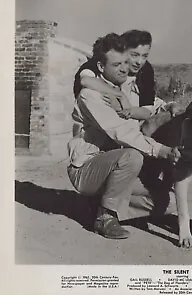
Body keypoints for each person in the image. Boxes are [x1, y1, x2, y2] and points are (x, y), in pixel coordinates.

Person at [67, 33, 180, 240]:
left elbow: (149, 104)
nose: (124, 69)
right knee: (132, 156)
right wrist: (161, 151)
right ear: (100, 67)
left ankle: (100, 206)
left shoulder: (125, 88)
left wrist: (168, 106)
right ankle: (106, 217)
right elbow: (120, 131)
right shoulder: (90, 95)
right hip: (87, 168)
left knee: (169, 201)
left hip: (117, 170)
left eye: (125, 63)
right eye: (117, 64)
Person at [73, 29, 164, 122]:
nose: (139, 62)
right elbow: (86, 80)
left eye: (144, 56)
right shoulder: (100, 61)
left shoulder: (146, 69)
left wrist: (128, 110)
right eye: (134, 55)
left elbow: (147, 110)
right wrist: (120, 95)